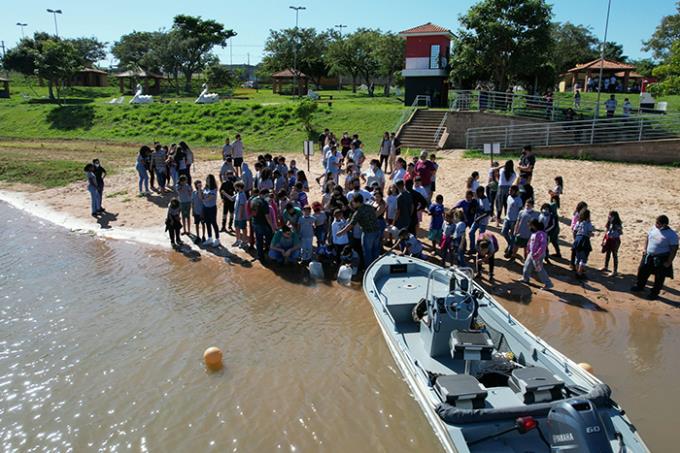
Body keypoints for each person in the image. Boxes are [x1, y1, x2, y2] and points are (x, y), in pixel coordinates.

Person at [631, 215, 678, 300]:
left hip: (661, 258)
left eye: (658, 223)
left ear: (664, 224)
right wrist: (645, 249)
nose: (656, 224)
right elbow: (648, 237)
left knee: (659, 277)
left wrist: (669, 262)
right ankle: (640, 286)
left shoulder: (672, 235)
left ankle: (654, 293)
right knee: (642, 271)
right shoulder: (653, 228)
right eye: (656, 222)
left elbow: (674, 249)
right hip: (648, 256)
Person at [336, 194, 382, 268]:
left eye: (353, 202)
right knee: (375, 251)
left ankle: (369, 269)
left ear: (357, 202)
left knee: (368, 253)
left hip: (368, 233)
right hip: (377, 232)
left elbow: (351, 225)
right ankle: (377, 267)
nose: (352, 204)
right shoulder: (370, 207)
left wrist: (341, 232)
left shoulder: (358, 212)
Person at [519, 219, 553, 290]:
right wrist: (528, 250)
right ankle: (525, 278)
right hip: (531, 253)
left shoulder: (542, 234)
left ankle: (548, 284)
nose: (529, 228)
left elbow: (543, 245)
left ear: (534, 226)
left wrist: (537, 253)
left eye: (530, 226)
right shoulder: (534, 233)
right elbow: (529, 243)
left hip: (538, 255)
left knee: (539, 269)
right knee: (527, 266)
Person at [251, 189, 275, 261]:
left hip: (255, 223)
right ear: (264, 194)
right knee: (270, 240)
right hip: (263, 224)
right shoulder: (264, 203)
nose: (268, 197)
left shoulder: (254, 200)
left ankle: (260, 256)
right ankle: (272, 256)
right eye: (267, 195)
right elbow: (267, 217)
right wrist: (272, 227)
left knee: (259, 240)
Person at [572, 209, 594, 279]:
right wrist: (592, 234)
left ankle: (577, 272)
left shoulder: (578, 222)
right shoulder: (588, 223)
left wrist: (575, 239)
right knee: (583, 258)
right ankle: (579, 273)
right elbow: (589, 233)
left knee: (577, 258)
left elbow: (574, 231)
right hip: (584, 240)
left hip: (577, 240)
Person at [502, 185, 522, 257]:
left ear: (516, 191)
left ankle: (510, 251)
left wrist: (517, 222)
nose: (509, 192)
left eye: (511, 191)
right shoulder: (509, 197)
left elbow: (520, 211)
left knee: (512, 235)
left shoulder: (519, 200)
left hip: (514, 220)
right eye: (509, 190)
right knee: (503, 232)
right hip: (507, 218)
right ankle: (511, 245)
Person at [469, 186, 491, 252]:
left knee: (480, 237)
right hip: (477, 220)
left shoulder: (485, 200)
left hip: (483, 222)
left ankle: (479, 250)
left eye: (478, 193)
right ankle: (472, 249)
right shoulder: (479, 198)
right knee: (471, 233)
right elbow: (478, 208)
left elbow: (487, 213)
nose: (477, 194)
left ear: (481, 193)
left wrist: (479, 218)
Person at [601, 211, 623, 276]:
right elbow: (606, 232)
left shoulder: (617, 224)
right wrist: (604, 240)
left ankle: (615, 271)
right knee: (608, 253)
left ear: (614, 217)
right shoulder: (609, 223)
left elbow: (621, 232)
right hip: (609, 240)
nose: (609, 217)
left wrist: (617, 229)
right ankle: (606, 266)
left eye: (610, 216)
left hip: (615, 241)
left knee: (614, 255)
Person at [202, 174, 221, 247]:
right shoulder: (205, 188)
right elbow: (203, 196)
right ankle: (210, 237)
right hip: (205, 207)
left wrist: (204, 198)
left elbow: (209, 198)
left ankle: (217, 239)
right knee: (207, 222)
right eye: (206, 179)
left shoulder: (214, 188)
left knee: (214, 222)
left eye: (208, 179)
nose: (207, 181)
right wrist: (204, 198)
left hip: (212, 208)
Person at [233, 181, 248, 248]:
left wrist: (241, 215)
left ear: (239, 187)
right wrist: (224, 193)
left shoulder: (242, 195)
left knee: (243, 229)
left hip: (241, 216)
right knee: (237, 228)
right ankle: (238, 240)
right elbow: (231, 198)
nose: (235, 188)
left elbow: (242, 205)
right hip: (236, 215)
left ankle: (245, 242)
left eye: (236, 187)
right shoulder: (238, 193)